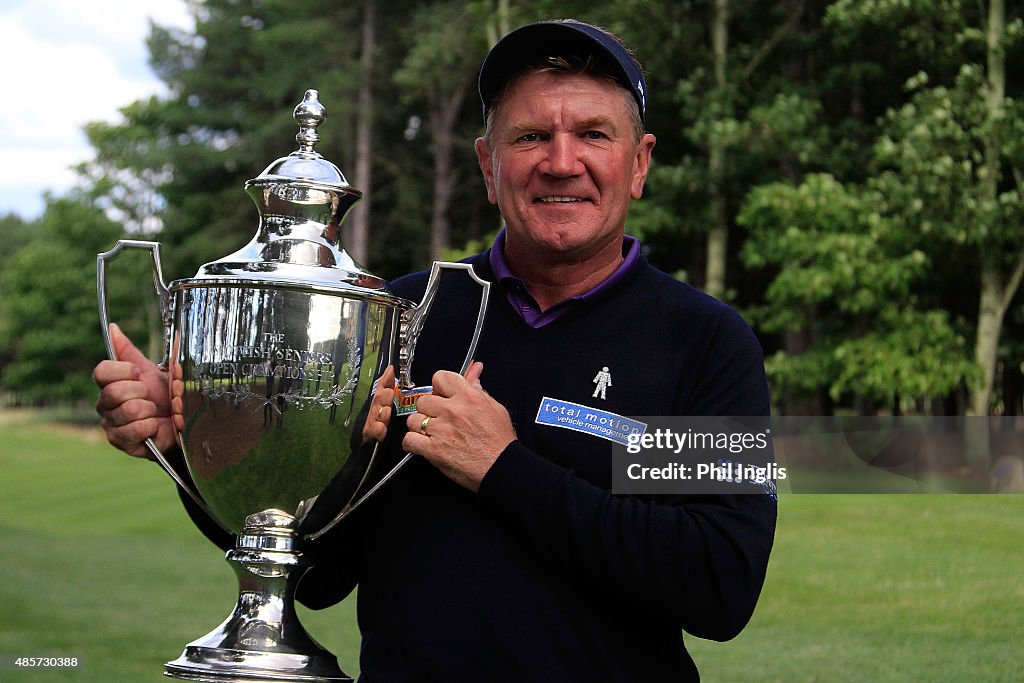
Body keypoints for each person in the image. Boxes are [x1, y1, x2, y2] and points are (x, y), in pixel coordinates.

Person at [94, 19, 775, 682]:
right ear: (489, 163)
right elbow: (322, 568)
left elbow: (718, 584)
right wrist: (191, 438)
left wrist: (504, 467)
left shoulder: (707, 341)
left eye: (593, 134)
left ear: (639, 161)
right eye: (531, 135)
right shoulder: (404, 317)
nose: (562, 162)